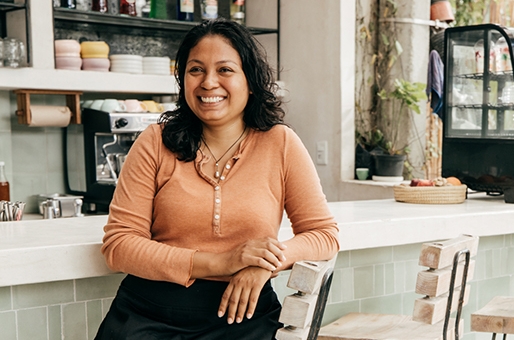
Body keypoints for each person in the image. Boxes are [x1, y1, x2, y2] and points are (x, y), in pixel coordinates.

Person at [95, 18, 340, 340]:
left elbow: (323, 235)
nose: (209, 83)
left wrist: (265, 264)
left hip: (247, 317)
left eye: (225, 70)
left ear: (250, 80)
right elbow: (120, 246)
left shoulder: (280, 143)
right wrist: (222, 262)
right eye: (196, 70)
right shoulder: (155, 141)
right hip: (147, 316)